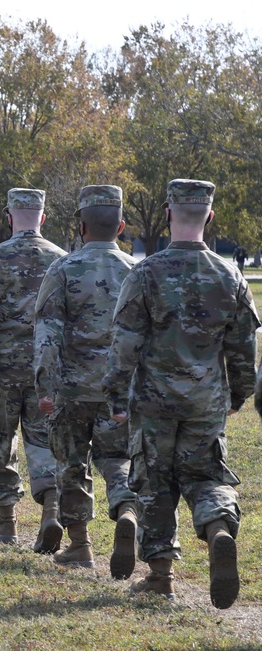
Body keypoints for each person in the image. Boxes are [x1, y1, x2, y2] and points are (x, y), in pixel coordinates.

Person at [105, 179, 258, 608]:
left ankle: (160, 575)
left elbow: (124, 343)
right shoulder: (231, 275)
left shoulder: (145, 273)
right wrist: (238, 394)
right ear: (209, 217)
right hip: (205, 401)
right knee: (206, 475)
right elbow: (244, 348)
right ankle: (218, 529)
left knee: (154, 482)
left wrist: (116, 396)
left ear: (169, 215)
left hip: (153, 401)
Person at [34, 185, 139, 575]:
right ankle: (126, 509)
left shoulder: (62, 269)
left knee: (71, 463)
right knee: (118, 459)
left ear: (80, 227)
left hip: (72, 389)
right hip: (120, 392)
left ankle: (80, 545)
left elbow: (46, 335)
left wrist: (45, 387)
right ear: (122, 226)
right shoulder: (136, 270)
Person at [0, 188, 66, 552]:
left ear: (8, 217)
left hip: (3, 369)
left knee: (0, 442)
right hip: (46, 369)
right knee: (44, 443)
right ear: (43, 217)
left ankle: (7, 523)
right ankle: (51, 510)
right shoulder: (61, 260)